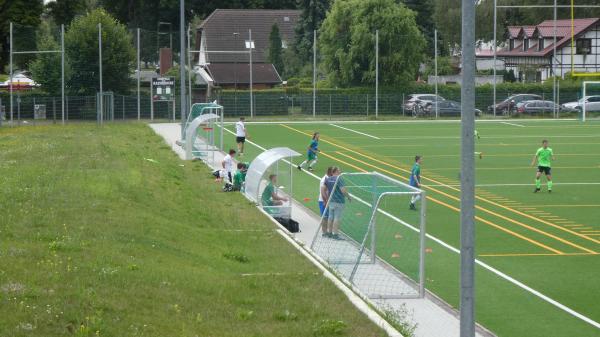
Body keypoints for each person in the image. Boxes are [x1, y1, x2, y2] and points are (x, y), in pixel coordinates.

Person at [324, 167, 351, 240]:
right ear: (335, 171)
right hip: (339, 201)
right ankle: (335, 234)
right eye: (339, 170)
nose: (340, 172)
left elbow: (324, 189)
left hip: (331, 201)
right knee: (337, 218)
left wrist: (327, 198)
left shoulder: (328, 179)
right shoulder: (339, 179)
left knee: (330, 217)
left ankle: (329, 232)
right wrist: (348, 197)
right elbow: (343, 190)